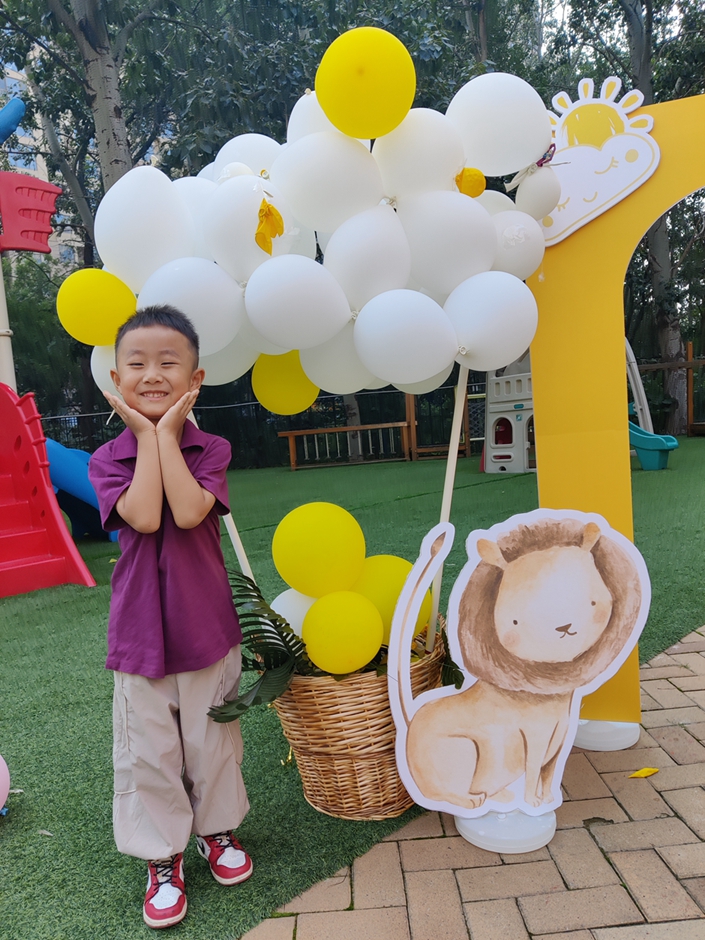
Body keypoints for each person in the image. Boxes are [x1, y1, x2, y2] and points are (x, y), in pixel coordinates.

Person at [88, 305, 251, 930]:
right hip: (138, 634)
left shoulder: (212, 448)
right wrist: (146, 435)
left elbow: (185, 511)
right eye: (137, 364)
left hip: (206, 626)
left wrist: (165, 436)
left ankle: (218, 832)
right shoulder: (107, 458)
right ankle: (162, 855)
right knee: (150, 751)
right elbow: (145, 515)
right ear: (116, 378)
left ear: (195, 379)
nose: (152, 374)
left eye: (168, 363)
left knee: (211, 742)